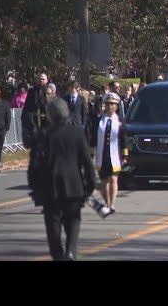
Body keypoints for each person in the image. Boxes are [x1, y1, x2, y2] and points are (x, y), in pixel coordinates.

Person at [38, 98, 96, 261]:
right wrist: (91, 185)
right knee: (73, 220)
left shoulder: (45, 135)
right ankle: (70, 251)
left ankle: (57, 254)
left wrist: (36, 189)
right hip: (74, 186)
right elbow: (87, 162)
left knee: (53, 224)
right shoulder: (77, 133)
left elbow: (35, 165)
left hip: (51, 188)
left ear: (50, 116)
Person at [93, 93, 127, 213]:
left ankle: (111, 204)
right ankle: (106, 202)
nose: (110, 106)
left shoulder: (119, 121)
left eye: (113, 104)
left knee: (113, 179)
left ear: (117, 106)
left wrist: (124, 155)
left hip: (115, 154)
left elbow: (123, 139)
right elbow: (93, 137)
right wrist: (91, 152)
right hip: (102, 154)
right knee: (104, 181)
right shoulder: (99, 121)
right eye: (108, 104)